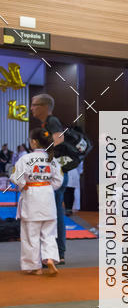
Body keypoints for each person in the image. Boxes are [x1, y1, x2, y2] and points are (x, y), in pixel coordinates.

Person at [11, 128, 63, 275]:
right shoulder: (52, 159)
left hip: (31, 197)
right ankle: (50, 258)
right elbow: (58, 181)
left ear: (33, 142)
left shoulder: (25, 159)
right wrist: (46, 187)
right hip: (48, 197)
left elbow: (16, 178)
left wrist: (24, 185)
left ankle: (35, 267)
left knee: (30, 235)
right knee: (49, 233)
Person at [30, 93, 68, 264]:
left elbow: (59, 139)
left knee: (55, 213)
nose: (31, 108)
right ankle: (55, 252)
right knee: (53, 212)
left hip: (56, 174)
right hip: (54, 173)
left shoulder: (52, 121)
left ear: (45, 106)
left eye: (34, 105)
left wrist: (42, 154)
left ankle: (58, 253)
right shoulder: (47, 123)